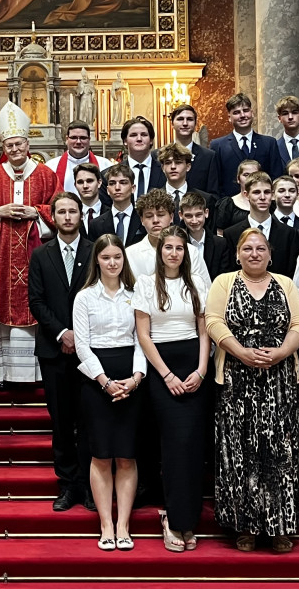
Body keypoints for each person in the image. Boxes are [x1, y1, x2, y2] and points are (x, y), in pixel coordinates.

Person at [207, 226, 299, 552]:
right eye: (248, 249)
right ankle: (245, 527)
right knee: (240, 453)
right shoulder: (224, 282)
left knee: (281, 453)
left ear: (270, 254)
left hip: (279, 381)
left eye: (260, 248)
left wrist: (281, 352)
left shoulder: (286, 284)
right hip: (236, 380)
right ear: (238, 254)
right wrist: (241, 352)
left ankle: (281, 526)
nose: (254, 253)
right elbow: (213, 321)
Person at [134, 226, 210, 553]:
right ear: (160, 251)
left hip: (194, 368)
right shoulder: (146, 284)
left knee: (193, 446)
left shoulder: (197, 284)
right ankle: (173, 518)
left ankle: (188, 520)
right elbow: (144, 335)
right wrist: (166, 375)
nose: (174, 253)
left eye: (180, 248)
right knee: (173, 447)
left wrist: (202, 371)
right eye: (169, 247)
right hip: (163, 370)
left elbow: (204, 332)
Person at [0, 104, 59, 387]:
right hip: (3, 256)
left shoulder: (46, 175)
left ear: (28, 144)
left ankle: (37, 375)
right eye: (9, 145)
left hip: (38, 255)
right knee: (4, 308)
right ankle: (6, 375)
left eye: (19, 143)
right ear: (3, 147)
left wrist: (37, 212)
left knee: (39, 305)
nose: (15, 149)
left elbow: (60, 209)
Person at [73, 234, 144, 551]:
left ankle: (123, 525)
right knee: (101, 455)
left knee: (127, 455)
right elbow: (82, 345)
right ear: (97, 261)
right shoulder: (85, 297)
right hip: (96, 380)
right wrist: (104, 381)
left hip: (130, 377)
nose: (112, 262)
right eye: (106, 257)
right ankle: (106, 525)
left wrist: (136, 378)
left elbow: (143, 339)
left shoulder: (136, 293)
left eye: (117, 257)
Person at [27, 192, 92, 511]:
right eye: (61, 212)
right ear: (52, 217)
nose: (67, 217)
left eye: (72, 211)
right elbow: (36, 301)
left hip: (90, 351)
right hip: (53, 350)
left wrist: (80, 335)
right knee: (62, 422)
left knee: (89, 420)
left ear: (81, 215)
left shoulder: (95, 251)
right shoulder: (41, 254)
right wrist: (62, 333)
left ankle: (90, 485)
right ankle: (67, 485)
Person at [226, 172, 299, 286]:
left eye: (267, 192)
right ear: (246, 195)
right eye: (256, 192)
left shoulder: (289, 234)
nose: (262, 197)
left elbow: (293, 273)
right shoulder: (232, 233)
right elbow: (230, 274)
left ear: (272, 195)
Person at [206, 93, 283, 195]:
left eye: (246, 111)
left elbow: (276, 178)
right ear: (229, 117)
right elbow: (215, 183)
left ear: (252, 113)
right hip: (230, 203)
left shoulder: (269, 143)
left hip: (263, 201)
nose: (242, 115)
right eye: (236, 112)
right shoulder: (218, 145)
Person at [126, 189, 183, 284]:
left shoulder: (191, 252)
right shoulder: (129, 255)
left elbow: (203, 288)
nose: (155, 220)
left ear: (171, 217)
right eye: (149, 216)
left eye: (161, 215)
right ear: (142, 220)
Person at [88, 162, 144, 245]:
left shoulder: (144, 219)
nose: (117, 188)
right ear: (107, 190)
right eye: (112, 183)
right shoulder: (96, 224)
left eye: (123, 182)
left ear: (133, 188)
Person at [180, 191, 230, 281]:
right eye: (189, 216)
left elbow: (224, 277)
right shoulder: (178, 243)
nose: (194, 221)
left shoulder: (220, 244)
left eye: (198, 215)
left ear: (206, 213)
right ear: (181, 215)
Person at [47, 120, 103, 195]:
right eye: (74, 138)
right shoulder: (51, 167)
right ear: (67, 139)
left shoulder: (105, 165)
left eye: (83, 138)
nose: (78, 142)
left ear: (89, 139)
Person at [120, 116, 165, 198]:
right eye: (133, 135)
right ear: (125, 141)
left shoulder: (165, 171)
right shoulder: (109, 174)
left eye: (144, 135)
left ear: (151, 140)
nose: (139, 139)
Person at [158, 143, 203, 217]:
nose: (173, 167)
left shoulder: (204, 198)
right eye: (168, 163)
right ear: (163, 168)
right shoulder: (152, 199)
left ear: (188, 167)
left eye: (178, 162)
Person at [274, 94, 299, 164]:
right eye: (285, 113)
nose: (290, 117)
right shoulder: (275, 147)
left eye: (294, 112)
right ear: (279, 118)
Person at [72, 161, 104, 228]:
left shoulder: (112, 213)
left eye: (90, 181)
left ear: (99, 183)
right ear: (75, 185)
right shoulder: (70, 215)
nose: (85, 186)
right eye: (80, 182)